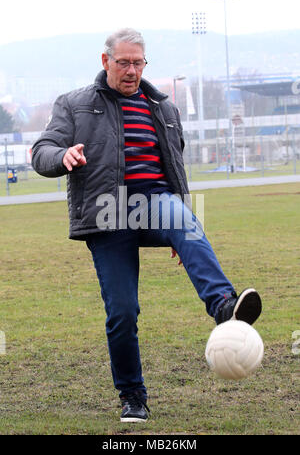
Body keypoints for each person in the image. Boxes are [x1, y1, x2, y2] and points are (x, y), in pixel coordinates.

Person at [31, 28, 262, 423]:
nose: (132, 71)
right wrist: (62, 155)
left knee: (181, 218)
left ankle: (223, 306)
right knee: (122, 311)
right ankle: (133, 396)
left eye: (138, 63)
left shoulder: (163, 108)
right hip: (107, 214)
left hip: (157, 203)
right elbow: (41, 151)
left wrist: (182, 227)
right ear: (106, 62)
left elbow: (176, 168)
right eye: (124, 62)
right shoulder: (74, 104)